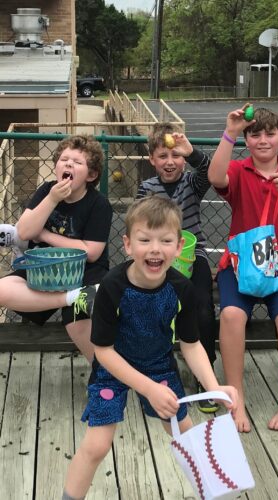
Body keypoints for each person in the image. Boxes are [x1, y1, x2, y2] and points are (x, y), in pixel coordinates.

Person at [62, 196, 238, 500]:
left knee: (188, 438)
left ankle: (215, 493)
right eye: (145, 240)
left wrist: (215, 387)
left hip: (158, 367)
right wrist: (149, 389)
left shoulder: (182, 287)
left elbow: (191, 344)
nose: (155, 248)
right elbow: (102, 352)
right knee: (96, 446)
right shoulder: (112, 286)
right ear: (128, 245)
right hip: (112, 369)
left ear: (179, 245)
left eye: (165, 240)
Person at [208, 105, 278, 432]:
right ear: (246, 139)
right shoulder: (239, 169)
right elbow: (215, 177)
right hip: (241, 262)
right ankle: (236, 397)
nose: (263, 140)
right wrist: (229, 131)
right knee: (231, 315)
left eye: (270, 134)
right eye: (254, 134)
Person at [0, 134, 112, 362]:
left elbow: (91, 252)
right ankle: (71, 297)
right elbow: (23, 232)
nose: (69, 163)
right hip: (44, 267)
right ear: (56, 166)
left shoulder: (99, 204)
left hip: (85, 272)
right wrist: (51, 200)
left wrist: (44, 234)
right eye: (64, 159)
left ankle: (102, 373)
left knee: (75, 321)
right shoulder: (47, 191)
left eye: (78, 162)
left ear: (91, 175)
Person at [136, 123, 218, 413]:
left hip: (191, 255)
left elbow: (210, 171)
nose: (170, 162)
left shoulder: (191, 183)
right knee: (150, 309)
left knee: (203, 307)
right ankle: (158, 371)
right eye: (162, 156)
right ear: (152, 160)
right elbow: (140, 224)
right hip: (157, 258)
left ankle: (205, 374)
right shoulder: (147, 188)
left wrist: (192, 151)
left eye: (175, 156)